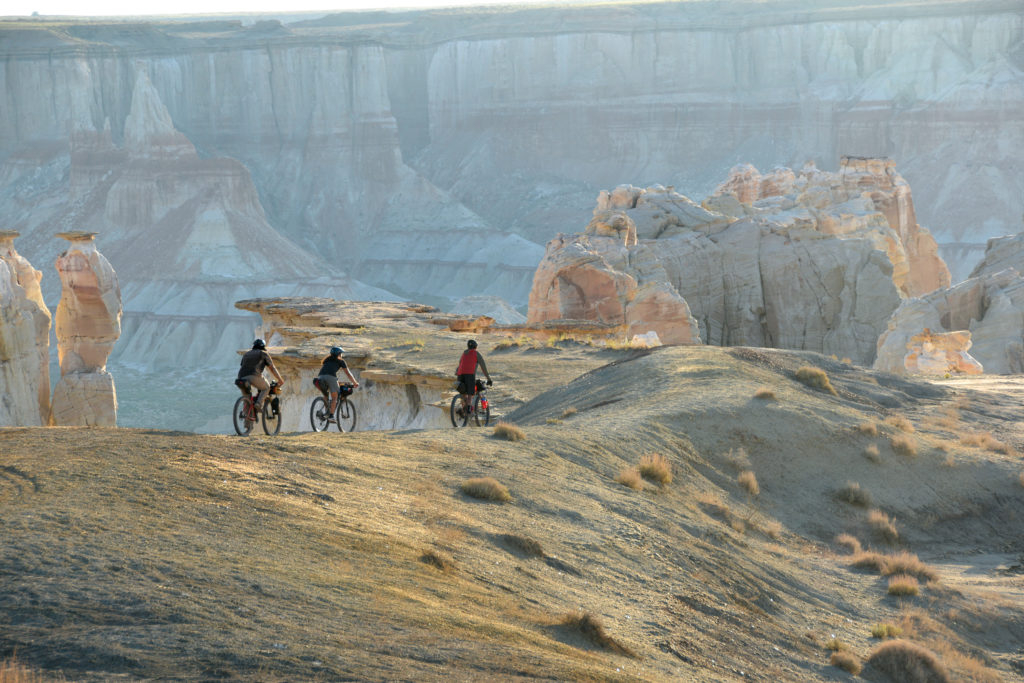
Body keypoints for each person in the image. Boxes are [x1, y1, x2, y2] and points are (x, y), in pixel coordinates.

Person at [237, 338, 285, 413]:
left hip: (240, 378)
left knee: (247, 400)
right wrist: (280, 379)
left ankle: (247, 422)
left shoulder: (246, 354)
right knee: (267, 387)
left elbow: (242, 365)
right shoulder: (263, 353)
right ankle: (258, 404)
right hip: (254, 376)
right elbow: (272, 368)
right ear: (263, 346)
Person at [318, 346, 359, 422]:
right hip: (331, 377)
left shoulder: (326, 360)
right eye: (341, 353)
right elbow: (348, 374)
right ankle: (331, 416)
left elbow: (327, 372)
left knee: (325, 395)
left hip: (320, 377)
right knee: (335, 397)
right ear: (339, 354)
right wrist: (355, 383)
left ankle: (325, 412)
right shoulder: (341, 361)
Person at [455, 339, 492, 415]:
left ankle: (463, 410)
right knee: (470, 394)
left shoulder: (464, 353)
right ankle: (468, 410)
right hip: (469, 375)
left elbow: (460, 364)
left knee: (463, 392)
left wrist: (457, 373)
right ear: (475, 347)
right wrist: (489, 378)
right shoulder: (476, 354)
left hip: (460, 375)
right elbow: (483, 367)